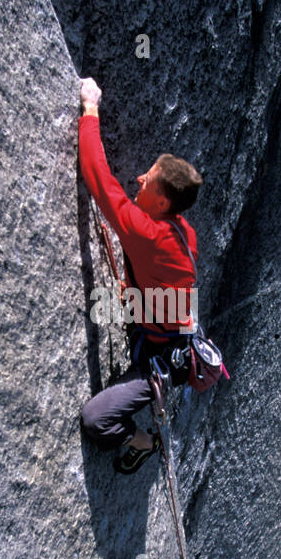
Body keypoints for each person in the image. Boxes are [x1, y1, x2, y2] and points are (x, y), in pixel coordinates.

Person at [78, 77, 204, 472]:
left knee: (96, 419)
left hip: (163, 356)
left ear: (162, 201)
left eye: (146, 180)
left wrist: (91, 109)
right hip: (168, 331)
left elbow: (99, 179)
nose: (138, 180)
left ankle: (144, 441)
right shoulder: (184, 232)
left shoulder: (148, 232)